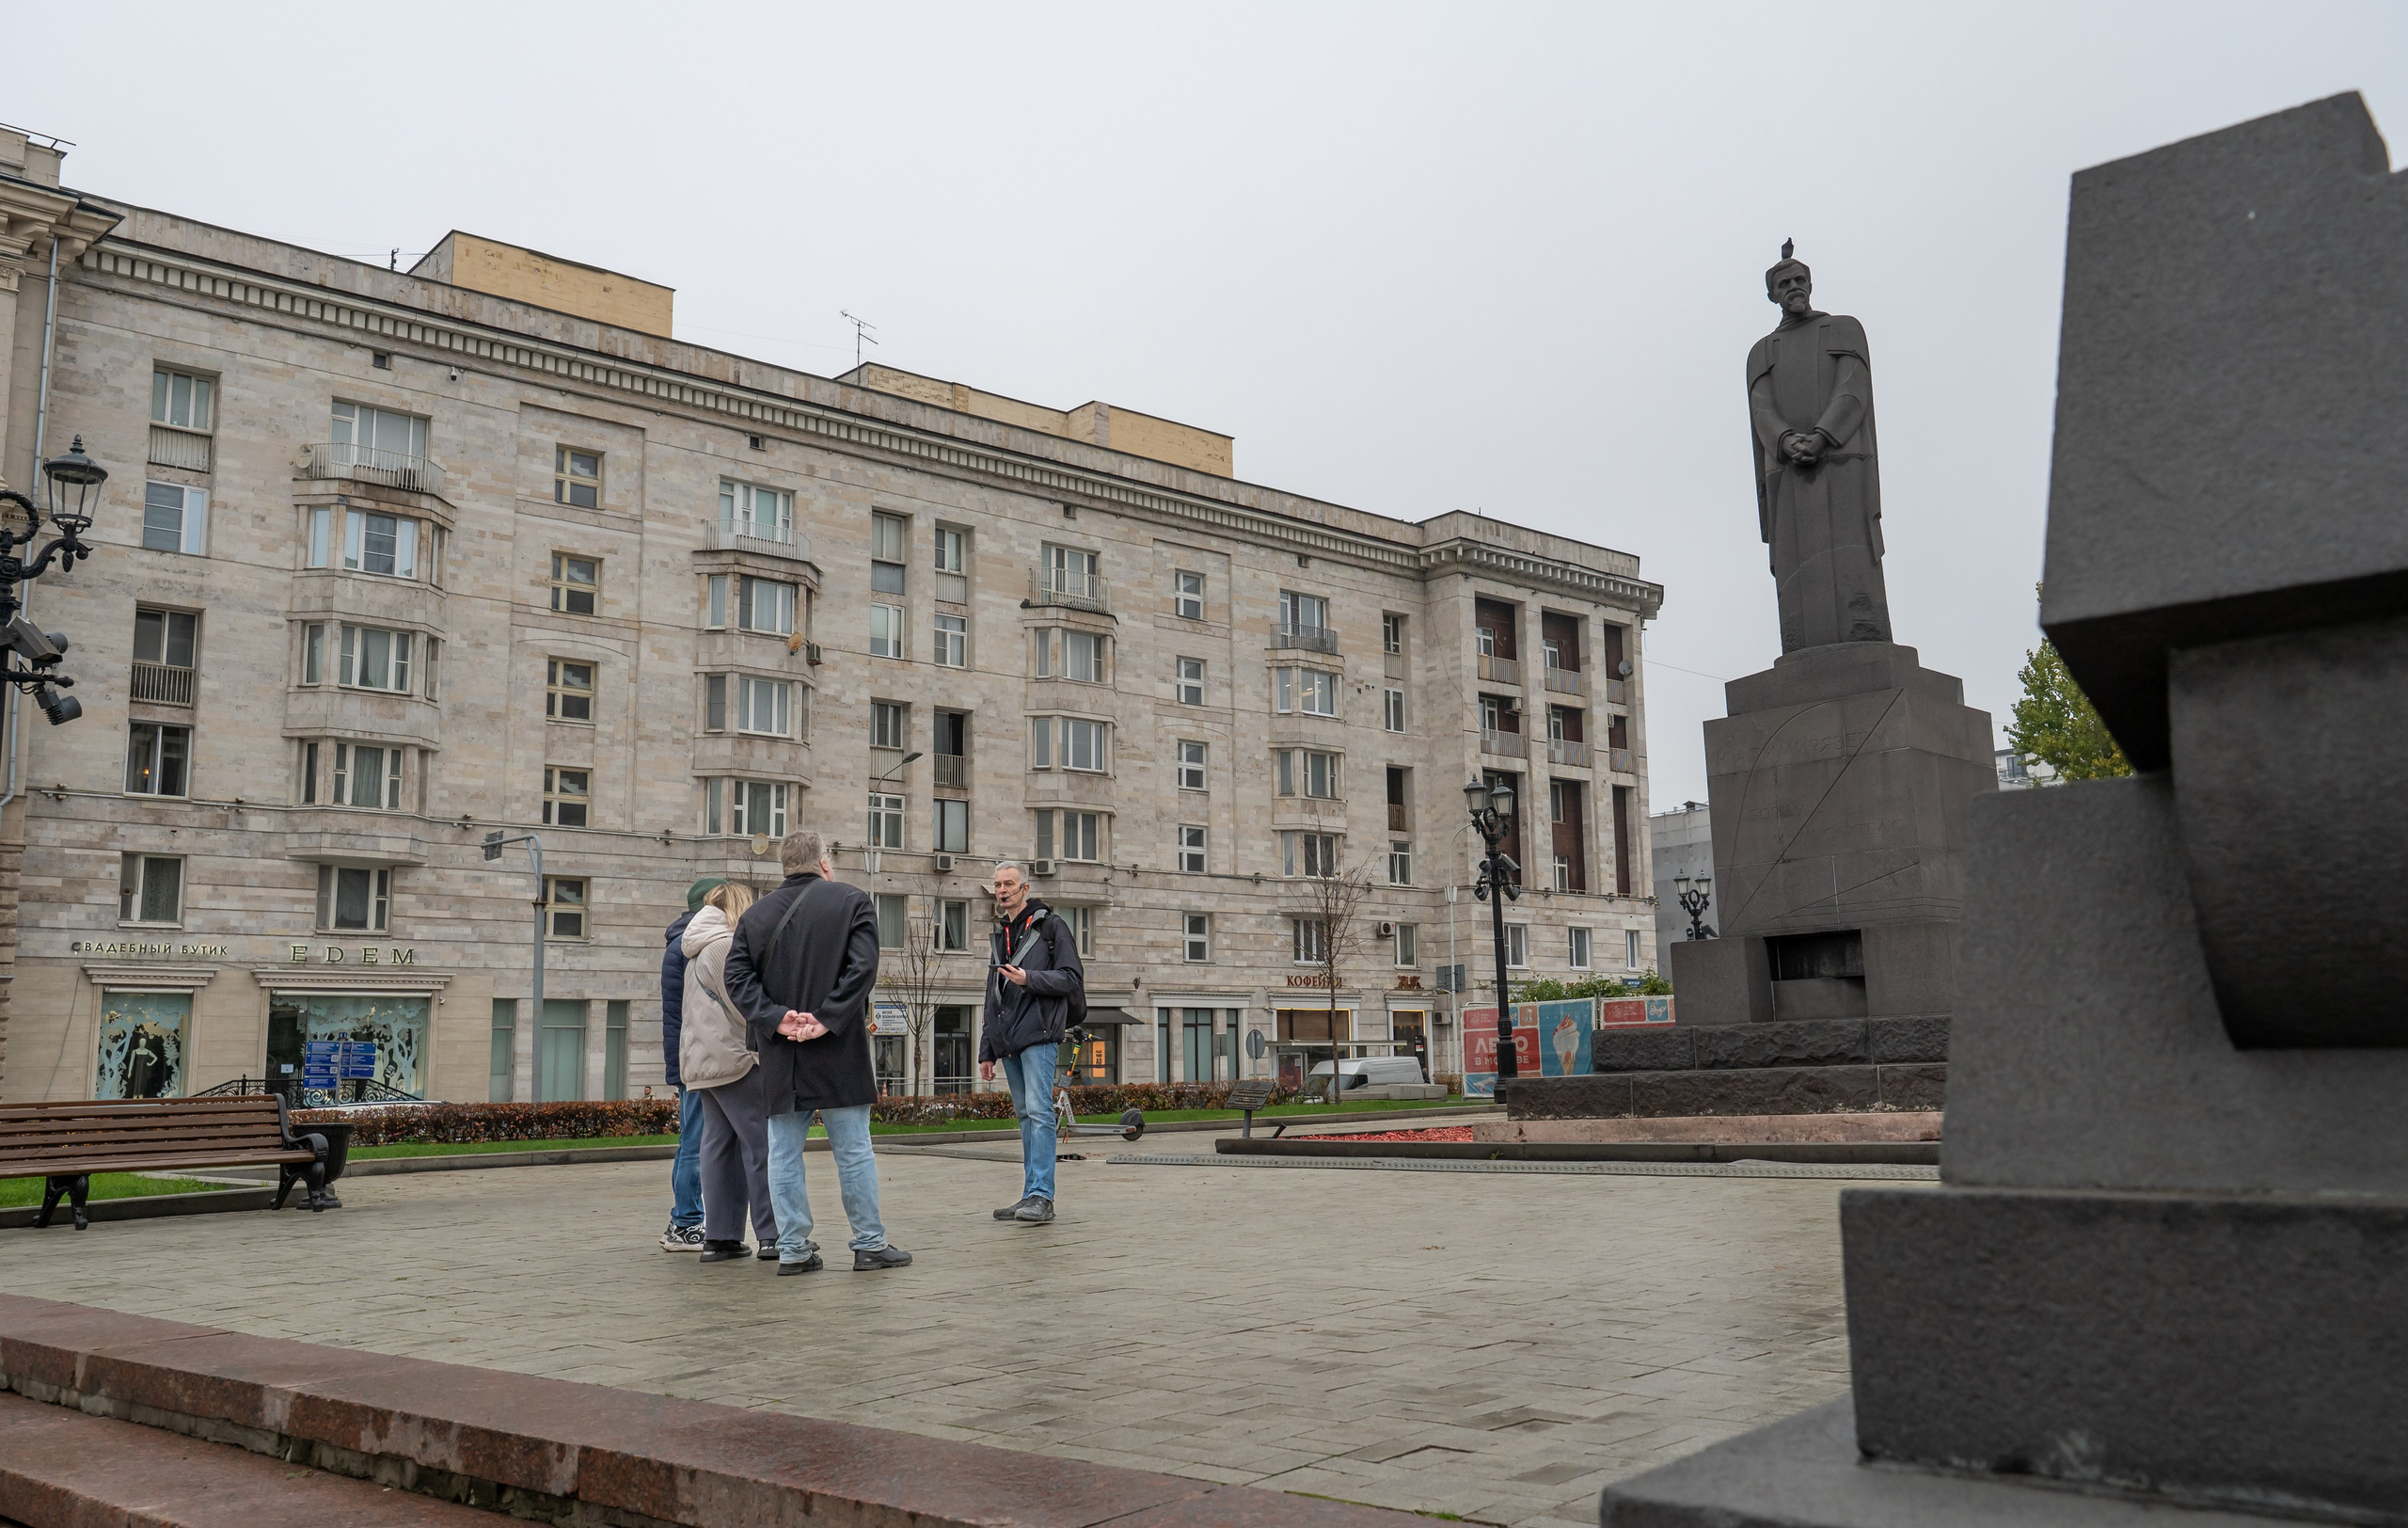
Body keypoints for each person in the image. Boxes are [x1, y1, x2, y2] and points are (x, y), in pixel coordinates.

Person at [721, 829, 911, 1275]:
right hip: (838, 1047)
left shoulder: (755, 915)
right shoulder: (852, 901)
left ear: (784, 865)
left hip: (781, 1052)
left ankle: (792, 1250)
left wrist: (776, 1018)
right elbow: (863, 967)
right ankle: (869, 1244)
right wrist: (826, 1018)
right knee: (853, 1151)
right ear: (824, 862)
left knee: (783, 1154)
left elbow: (737, 978)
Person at [679, 881, 782, 1265]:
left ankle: (721, 1238)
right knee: (761, 1146)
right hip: (734, 1061)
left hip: (705, 1063)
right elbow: (742, 1005)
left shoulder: (696, 948)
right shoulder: (723, 946)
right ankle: (773, 1235)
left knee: (718, 1147)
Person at [977, 861, 1085, 1226]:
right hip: (1008, 1040)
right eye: (997, 885)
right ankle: (1030, 1194)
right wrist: (987, 1050)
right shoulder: (1001, 935)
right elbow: (992, 995)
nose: (1002, 890)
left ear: (1025, 888)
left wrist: (1029, 978)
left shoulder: (1050, 927)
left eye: (1009, 884)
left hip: (1039, 1035)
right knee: (1025, 1116)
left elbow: (1071, 978)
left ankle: (1043, 1196)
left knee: (1039, 1113)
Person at [657, 877, 724, 1251]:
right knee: (696, 1141)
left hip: (689, 1055)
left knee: (693, 1140)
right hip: (697, 1056)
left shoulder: (682, 941)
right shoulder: (692, 944)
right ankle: (686, 1223)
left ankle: (684, 1220)